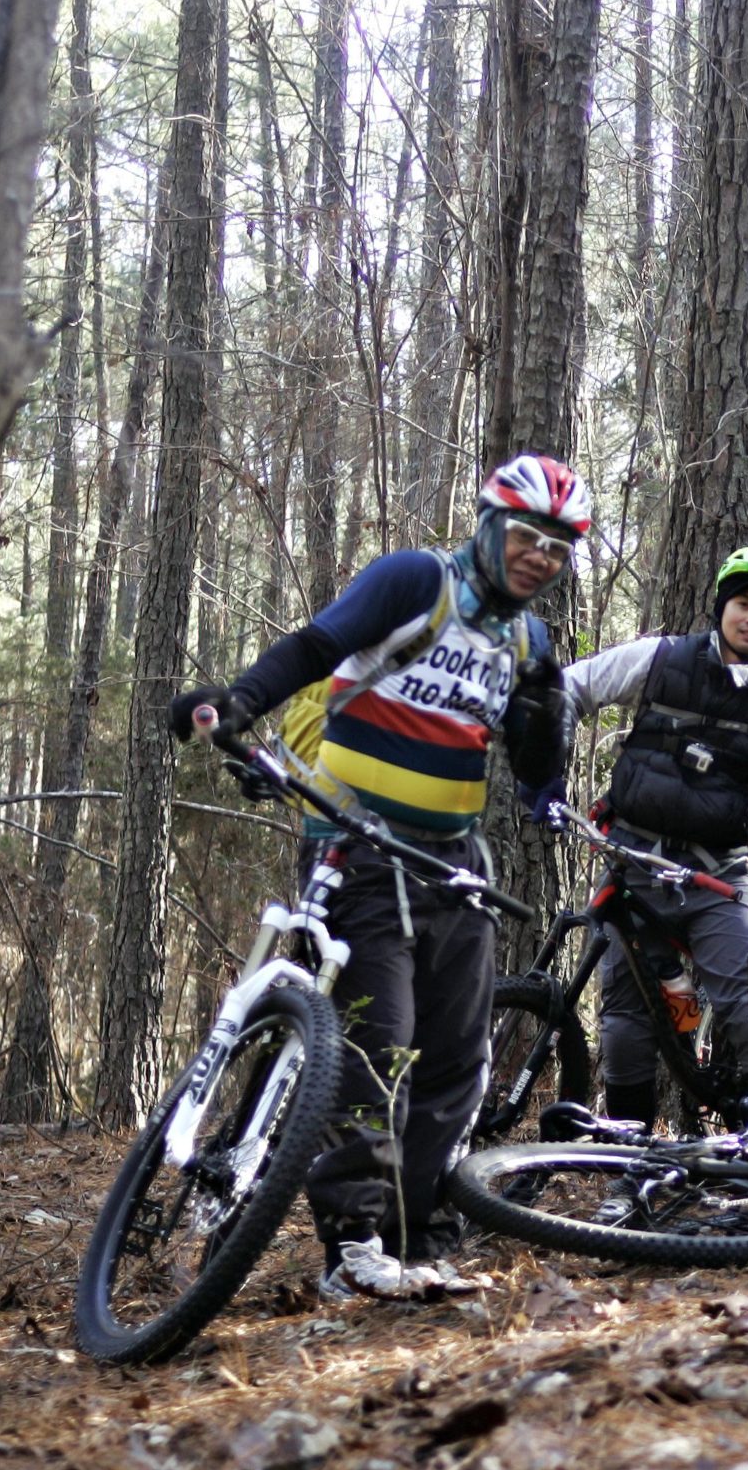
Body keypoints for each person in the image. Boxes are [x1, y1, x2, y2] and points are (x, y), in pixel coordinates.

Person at [168, 453, 588, 1301]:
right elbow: (318, 645)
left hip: (453, 862)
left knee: (458, 1061)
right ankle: (352, 1245)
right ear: (488, 525)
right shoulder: (414, 582)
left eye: (558, 546)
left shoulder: (529, 640)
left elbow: (536, 761)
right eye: (526, 535)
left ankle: (413, 1236)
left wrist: (548, 745)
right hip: (356, 847)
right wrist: (242, 702)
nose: (539, 554)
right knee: (376, 1045)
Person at [558, 547, 748, 1128]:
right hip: (631, 868)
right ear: (722, 607)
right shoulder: (661, 659)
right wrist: (547, 768)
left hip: (718, 877)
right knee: (625, 1024)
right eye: (744, 604)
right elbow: (567, 689)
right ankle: (631, 1163)